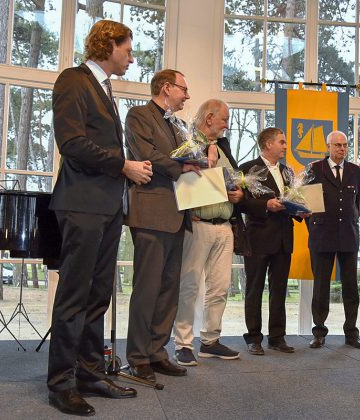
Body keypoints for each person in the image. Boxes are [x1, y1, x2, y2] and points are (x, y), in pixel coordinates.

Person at [47, 20, 153, 416]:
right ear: (108, 45)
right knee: (74, 297)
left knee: (98, 296)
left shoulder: (106, 89)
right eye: (128, 49)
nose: (131, 56)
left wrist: (123, 174)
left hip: (108, 207)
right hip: (82, 203)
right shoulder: (73, 80)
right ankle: (60, 383)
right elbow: (72, 143)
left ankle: (89, 373)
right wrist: (123, 165)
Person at [124, 69, 200, 382]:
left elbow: (182, 161)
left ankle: (157, 352)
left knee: (168, 290)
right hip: (151, 214)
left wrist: (200, 167)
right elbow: (147, 154)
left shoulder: (179, 125)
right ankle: (138, 357)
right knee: (147, 289)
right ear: (166, 88)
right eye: (184, 89)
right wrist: (186, 166)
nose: (187, 95)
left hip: (177, 215)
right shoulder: (138, 115)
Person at [173, 99, 244, 366]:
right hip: (198, 223)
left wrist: (239, 193)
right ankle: (182, 343)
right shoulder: (188, 143)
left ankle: (210, 341)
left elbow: (234, 180)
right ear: (210, 117)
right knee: (189, 286)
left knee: (221, 287)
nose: (227, 124)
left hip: (225, 225)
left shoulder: (223, 147)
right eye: (225, 119)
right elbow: (181, 178)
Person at [238, 127, 307, 355]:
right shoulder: (247, 169)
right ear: (268, 144)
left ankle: (277, 337)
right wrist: (265, 205)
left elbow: (292, 201)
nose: (286, 146)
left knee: (279, 290)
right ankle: (254, 338)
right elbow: (239, 203)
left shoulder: (288, 172)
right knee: (254, 289)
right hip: (258, 237)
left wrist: (300, 212)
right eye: (282, 142)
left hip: (283, 238)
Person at [306, 130, 360, 350]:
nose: (342, 149)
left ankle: (351, 333)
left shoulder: (355, 171)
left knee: (351, 287)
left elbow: (358, 203)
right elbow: (307, 204)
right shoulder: (315, 169)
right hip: (322, 235)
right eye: (337, 145)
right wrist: (316, 226)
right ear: (328, 147)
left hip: (348, 235)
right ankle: (319, 333)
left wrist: (348, 222)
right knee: (321, 287)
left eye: (345, 145)